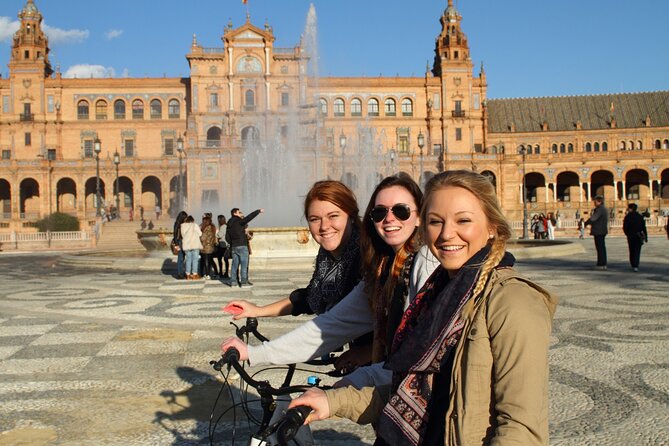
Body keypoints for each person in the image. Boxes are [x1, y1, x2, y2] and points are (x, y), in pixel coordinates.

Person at [289, 170, 558, 445]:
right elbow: (408, 391)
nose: (446, 234)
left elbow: (520, 428)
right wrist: (331, 401)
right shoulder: (435, 293)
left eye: (463, 220)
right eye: (435, 222)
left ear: (492, 226)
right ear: (423, 226)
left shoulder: (512, 301)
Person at [221, 173, 439, 386]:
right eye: (379, 212)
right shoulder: (380, 268)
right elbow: (329, 320)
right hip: (385, 378)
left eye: (401, 211)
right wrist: (255, 347)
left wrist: (362, 365)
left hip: (414, 388)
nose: (389, 218)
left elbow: (423, 348)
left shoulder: (423, 261)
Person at [226, 181, 362, 319]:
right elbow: (309, 297)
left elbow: (348, 320)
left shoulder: (368, 258)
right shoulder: (325, 256)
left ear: (351, 216)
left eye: (333, 216)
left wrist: (276, 342)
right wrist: (258, 311)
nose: (324, 226)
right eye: (315, 219)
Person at [224, 207, 264, 288]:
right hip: (242, 245)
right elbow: (249, 217)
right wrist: (258, 211)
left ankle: (233, 282)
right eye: (239, 212)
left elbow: (227, 237)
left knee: (234, 265)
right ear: (235, 213)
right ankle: (244, 282)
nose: (240, 214)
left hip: (234, 246)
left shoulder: (228, 224)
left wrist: (232, 243)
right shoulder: (239, 221)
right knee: (244, 264)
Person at [585, 195, 609, 270]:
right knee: (601, 247)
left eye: (595, 201)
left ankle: (601, 264)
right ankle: (602, 263)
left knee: (600, 248)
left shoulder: (600, 209)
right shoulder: (603, 209)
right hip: (602, 230)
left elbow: (593, 218)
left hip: (599, 230)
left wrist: (586, 223)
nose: (594, 203)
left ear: (599, 201)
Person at [622, 203, 647, 272]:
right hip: (638, 235)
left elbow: (625, 227)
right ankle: (636, 264)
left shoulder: (627, 217)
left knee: (632, 250)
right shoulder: (639, 216)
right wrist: (646, 236)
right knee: (637, 250)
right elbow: (643, 227)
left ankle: (633, 263)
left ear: (630, 209)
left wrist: (627, 234)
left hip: (631, 236)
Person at [180, 215, 202, 280]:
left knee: (188, 260)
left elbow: (183, 235)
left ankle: (187, 275)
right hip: (195, 244)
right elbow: (200, 233)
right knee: (195, 260)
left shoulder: (183, 226)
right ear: (192, 220)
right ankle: (194, 274)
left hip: (187, 245)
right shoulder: (195, 225)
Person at [199, 214, 217, 279]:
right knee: (210, 260)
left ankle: (207, 274)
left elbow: (203, 238)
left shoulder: (206, 228)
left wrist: (200, 236)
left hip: (206, 246)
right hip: (211, 246)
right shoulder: (213, 227)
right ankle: (214, 273)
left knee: (205, 260)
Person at [173, 211, 188, 279]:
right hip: (180, 241)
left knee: (183, 257)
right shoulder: (177, 224)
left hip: (183, 241)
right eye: (185, 217)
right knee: (181, 258)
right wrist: (176, 244)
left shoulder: (183, 223)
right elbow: (175, 234)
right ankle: (180, 273)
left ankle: (182, 272)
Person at [215, 215, 230, 280]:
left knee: (220, 259)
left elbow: (219, 235)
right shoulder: (226, 226)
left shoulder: (223, 227)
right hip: (226, 245)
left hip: (223, 245)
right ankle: (225, 272)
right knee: (225, 259)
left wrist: (216, 232)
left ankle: (222, 272)